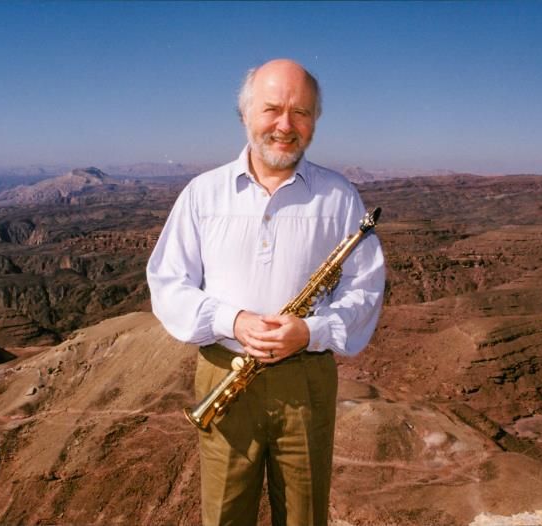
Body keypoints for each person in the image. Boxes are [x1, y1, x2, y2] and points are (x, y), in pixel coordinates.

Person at [146, 58, 385, 526]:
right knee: (224, 514)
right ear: (245, 115)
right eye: (272, 109)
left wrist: (311, 331)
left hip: (306, 379)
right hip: (223, 374)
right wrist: (230, 320)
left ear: (315, 121)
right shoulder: (202, 194)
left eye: (301, 112)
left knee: (304, 516)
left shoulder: (340, 197)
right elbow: (167, 283)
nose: (285, 125)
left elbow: (366, 288)